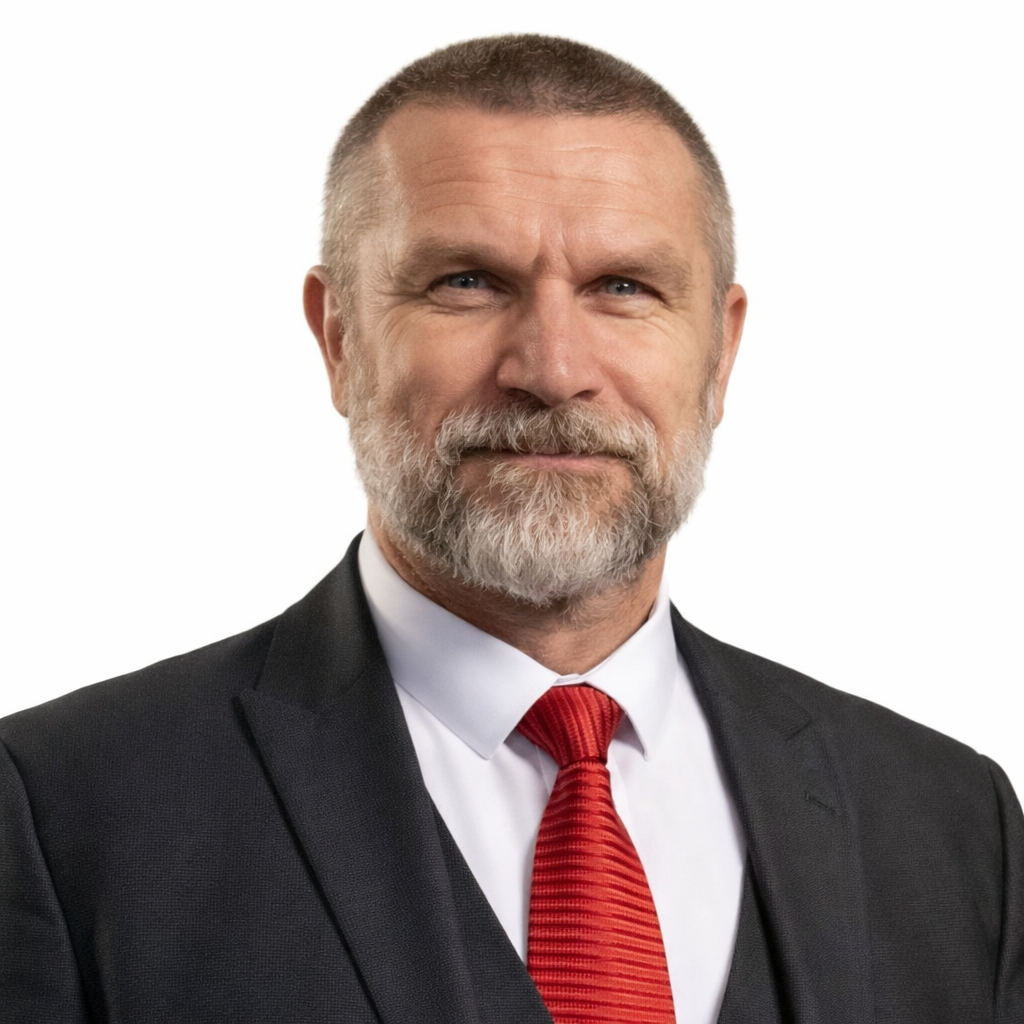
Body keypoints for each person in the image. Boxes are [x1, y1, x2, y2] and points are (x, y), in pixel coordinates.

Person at [1, 34, 1020, 1024]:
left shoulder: (951, 821)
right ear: (339, 339)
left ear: (720, 354)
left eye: (624, 287)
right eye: (466, 282)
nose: (552, 369)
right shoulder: (61, 811)